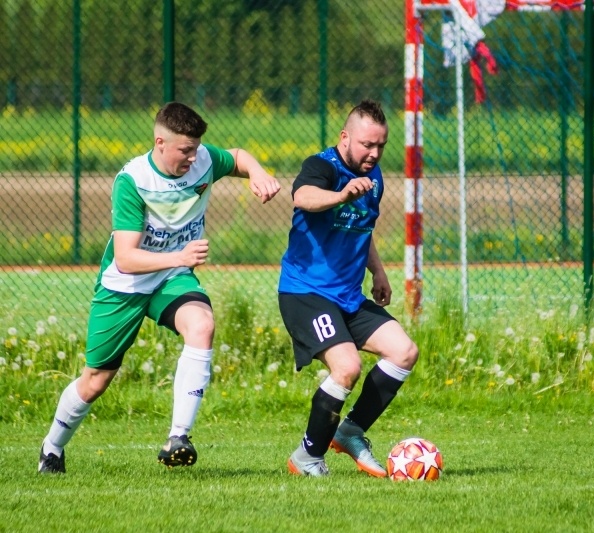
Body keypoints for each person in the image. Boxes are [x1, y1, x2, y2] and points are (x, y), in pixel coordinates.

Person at [37, 102, 282, 473]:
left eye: (197, 147)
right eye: (186, 149)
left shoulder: (202, 160)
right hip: (126, 284)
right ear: (160, 143)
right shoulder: (133, 181)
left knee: (202, 325)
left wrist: (258, 173)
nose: (194, 156)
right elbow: (126, 258)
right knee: (96, 380)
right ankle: (52, 448)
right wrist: (180, 257)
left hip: (171, 277)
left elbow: (236, 156)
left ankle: (178, 437)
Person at [279, 99, 418, 477]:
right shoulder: (321, 166)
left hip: (348, 297)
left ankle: (350, 431)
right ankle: (306, 457)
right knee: (347, 367)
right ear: (345, 138)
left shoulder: (374, 180)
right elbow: (303, 197)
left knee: (404, 352)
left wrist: (379, 272)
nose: (373, 154)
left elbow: (363, 228)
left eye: (380, 146)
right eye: (366, 145)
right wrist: (341, 194)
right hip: (305, 294)